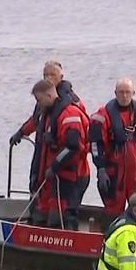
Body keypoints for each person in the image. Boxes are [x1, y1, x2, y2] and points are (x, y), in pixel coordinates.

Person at [89, 77, 136, 215]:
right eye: (121, 92)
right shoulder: (102, 116)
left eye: (127, 92)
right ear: (115, 93)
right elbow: (96, 145)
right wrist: (101, 168)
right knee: (112, 212)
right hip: (113, 173)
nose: (124, 96)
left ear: (133, 93)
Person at [29, 79, 90, 229]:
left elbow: (73, 146)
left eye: (39, 100)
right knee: (44, 215)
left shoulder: (69, 115)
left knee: (64, 217)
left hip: (71, 176)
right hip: (55, 178)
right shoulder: (50, 115)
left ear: (49, 95)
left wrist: (54, 166)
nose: (39, 104)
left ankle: (71, 247)